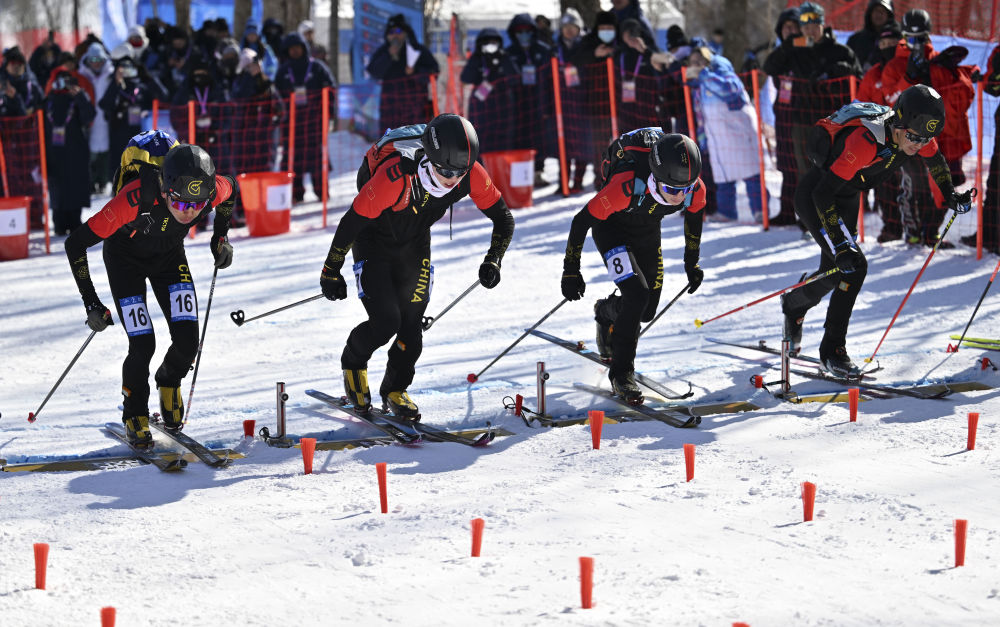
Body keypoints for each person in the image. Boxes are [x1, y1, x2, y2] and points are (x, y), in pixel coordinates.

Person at [318, 114, 515, 418]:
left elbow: (504, 219)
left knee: (412, 326)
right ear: (431, 160)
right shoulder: (396, 176)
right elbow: (351, 222)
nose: (453, 180)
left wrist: (494, 259)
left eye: (460, 172)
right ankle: (353, 362)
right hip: (373, 239)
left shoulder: (471, 173)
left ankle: (395, 388)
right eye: (446, 171)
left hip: (415, 241)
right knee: (386, 322)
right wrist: (331, 270)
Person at [780, 85, 963, 376]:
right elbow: (823, 194)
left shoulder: (914, 131)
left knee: (836, 271)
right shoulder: (865, 141)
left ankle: (794, 303)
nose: (919, 144)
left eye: (926, 137)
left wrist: (951, 195)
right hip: (818, 197)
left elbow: (936, 160)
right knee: (852, 267)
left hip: (847, 196)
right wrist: (841, 244)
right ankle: (833, 351)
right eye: (914, 138)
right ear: (900, 125)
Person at [63, 143, 238, 447]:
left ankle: (169, 382)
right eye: (182, 205)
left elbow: (233, 189)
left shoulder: (210, 192)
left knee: (187, 341)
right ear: (164, 190)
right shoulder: (132, 199)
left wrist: (219, 237)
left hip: (170, 259)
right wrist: (91, 301)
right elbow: (75, 244)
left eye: (198, 206)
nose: (191, 213)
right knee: (143, 344)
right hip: (125, 262)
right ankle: (134, 413)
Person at [560, 130, 706, 405]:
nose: (679, 197)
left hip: (647, 232)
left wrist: (692, 263)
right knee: (636, 297)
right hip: (611, 229)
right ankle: (622, 374)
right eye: (673, 190)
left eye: (685, 190)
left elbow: (694, 221)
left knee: (646, 310)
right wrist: (571, 270)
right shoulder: (625, 186)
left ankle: (605, 313)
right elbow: (581, 221)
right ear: (656, 177)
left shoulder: (693, 189)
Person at [879, 8, 975, 245]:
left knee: (946, 183)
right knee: (915, 187)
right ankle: (912, 233)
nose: (915, 45)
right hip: (909, 137)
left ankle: (931, 232)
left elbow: (963, 96)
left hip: (943, 137)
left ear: (928, 36)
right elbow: (890, 100)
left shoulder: (939, 61)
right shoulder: (895, 65)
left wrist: (952, 72)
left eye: (920, 38)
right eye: (910, 39)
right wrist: (909, 78)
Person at [683, 44, 766, 222]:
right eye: (693, 62)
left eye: (700, 61)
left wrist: (705, 76)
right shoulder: (698, 86)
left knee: (751, 172)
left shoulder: (722, 73)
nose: (696, 65)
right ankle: (727, 212)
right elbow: (700, 115)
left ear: (708, 60)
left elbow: (731, 91)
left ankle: (760, 210)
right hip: (717, 137)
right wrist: (702, 137)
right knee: (723, 176)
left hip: (738, 132)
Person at [275, 32, 336, 202]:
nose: (294, 51)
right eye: (291, 49)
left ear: (304, 48)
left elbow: (331, 89)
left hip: (314, 122)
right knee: (292, 158)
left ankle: (321, 191)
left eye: (298, 48)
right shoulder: (283, 71)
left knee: (317, 158)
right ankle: (295, 193)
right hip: (291, 124)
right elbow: (276, 96)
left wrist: (329, 114)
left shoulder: (317, 67)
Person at [366, 13, 439, 132]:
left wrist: (415, 72)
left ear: (405, 33)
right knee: (389, 146)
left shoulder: (417, 50)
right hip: (390, 111)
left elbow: (433, 73)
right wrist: (388, 56)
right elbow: (374, 72)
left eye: (398, 31)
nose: (395, 35)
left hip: (415, 109)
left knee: (416, 145)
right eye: (391, 32)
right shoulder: (384, 51)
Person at [44, 70, 96, 235]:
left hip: (75, 152)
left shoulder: (77, 98)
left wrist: (80, 96)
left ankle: (74, 219)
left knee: (75, 187)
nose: (63, 85)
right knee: (57, 188)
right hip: (54, 152)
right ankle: (58, 221)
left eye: (66, 82)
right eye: (59, 81)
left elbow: (89, 117)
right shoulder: (48, 100)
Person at [846, 0, 896, 71]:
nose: (878, 14)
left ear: (889, 14)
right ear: (870, 13)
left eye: (882, 11)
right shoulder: (855, 40)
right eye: (876, 11)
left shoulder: (897, 38)